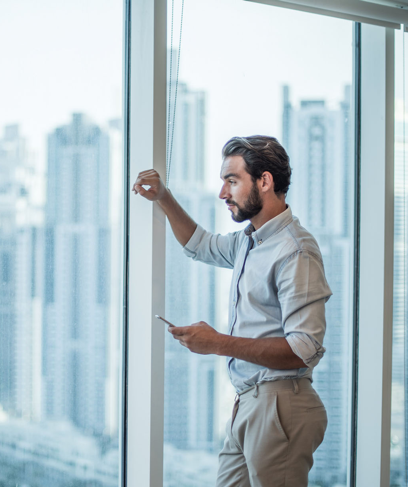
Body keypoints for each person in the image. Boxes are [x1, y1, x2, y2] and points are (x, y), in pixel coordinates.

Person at [132, 135, 331, 487]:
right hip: (251, 404)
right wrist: (163, 197)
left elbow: (303, 349)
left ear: (265, 181)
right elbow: (200, 245)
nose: (223, 193)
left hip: (279, 406)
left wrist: (217, 343)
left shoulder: (295, 251)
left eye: (232, 180)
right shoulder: (249, 243)